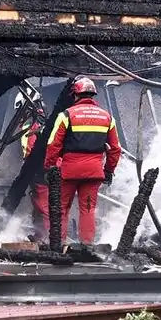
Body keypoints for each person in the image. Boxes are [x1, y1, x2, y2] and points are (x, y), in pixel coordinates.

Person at [44, 76, 122, 245]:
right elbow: (115, 149)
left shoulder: (66, 115)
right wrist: (108, 171)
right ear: (92, 95)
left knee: (61, 209)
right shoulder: (107, 117)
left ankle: (59, 246)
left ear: (75, 95)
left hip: (68, 171)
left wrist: (49, 167)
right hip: (94, 172)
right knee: (88, 210)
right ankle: (87, 247)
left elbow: (53, 144)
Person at [20, 107, 51, 240]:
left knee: (43, 205)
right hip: (50, 168)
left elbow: (30, 150)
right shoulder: (47, 123)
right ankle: (41, 235)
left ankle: (48, 238)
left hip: (39, 169)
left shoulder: (32, 125)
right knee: (44, 204)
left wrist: (28, 168)